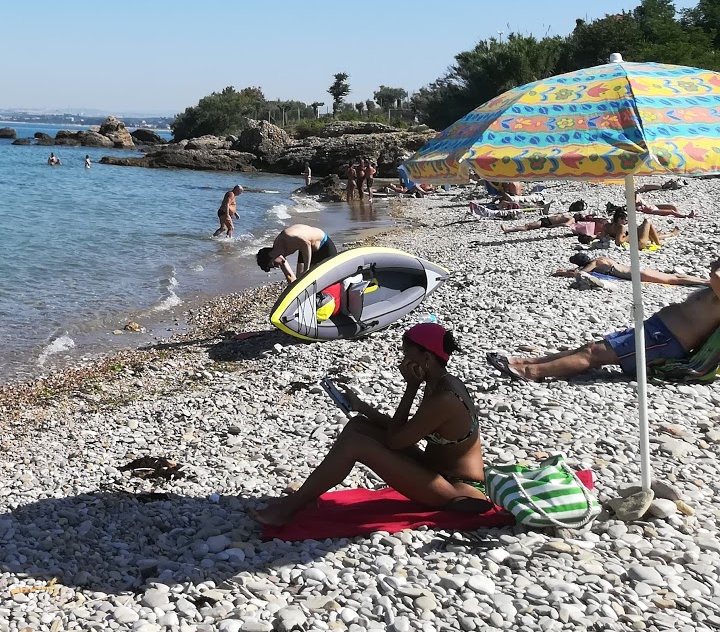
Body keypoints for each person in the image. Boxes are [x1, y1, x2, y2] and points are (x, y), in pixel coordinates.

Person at [252, 323, 486, 527]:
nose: (404, 362)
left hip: (461, 492)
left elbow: (395, 440)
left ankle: (287, 510)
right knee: (358, 426)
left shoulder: (444, 398)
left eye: (408, 356)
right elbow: (406, 431)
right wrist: (363, 408)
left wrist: (410, 387)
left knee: (356, 444)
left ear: (426, 359)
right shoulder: (438, 383)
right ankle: (308, 495)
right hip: (437, 472)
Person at [492, 254, 720, 381]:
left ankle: (530, 373)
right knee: (591, 346)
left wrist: (717, 267)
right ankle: (524, 362)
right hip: (656, 330)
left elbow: (717, 277)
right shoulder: (711, 289)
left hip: (663, 341)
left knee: (594, 354)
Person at [551, 252, 707, 288]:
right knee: (674, 276)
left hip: (636, 274)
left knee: (673, 280)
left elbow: (582, 273)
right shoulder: (602, 258)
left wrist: (564, 273)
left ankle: (707, 283)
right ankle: (706, 281)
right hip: (638, 269)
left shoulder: (595, 263)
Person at [256, 223, 339, 283]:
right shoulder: (280, 255)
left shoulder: (287, 237)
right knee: (300, 281)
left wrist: (306, 269)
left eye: (273, 265)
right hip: (305, 250)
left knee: (327, 277)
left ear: (271, 256)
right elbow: (290, 277)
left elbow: (307, 243)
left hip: (323, 245)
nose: (276, 267)